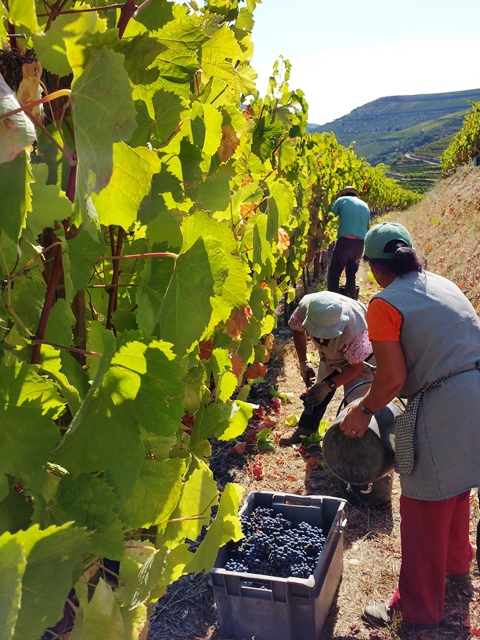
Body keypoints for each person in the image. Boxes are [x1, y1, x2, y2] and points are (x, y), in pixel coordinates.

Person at [338, 221, 480, 630]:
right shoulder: (444, 284)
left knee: (420, 505)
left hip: (443, 401)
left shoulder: (384, 303)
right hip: (474, 391)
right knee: (454, 488)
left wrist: (363, 410)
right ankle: (456, 565)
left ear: (375, 267)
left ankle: (414, 610)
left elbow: (393, 378)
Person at [279, 291, 374, 446]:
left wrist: (328, 385)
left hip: (362, 359)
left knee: (355, 401)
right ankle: (306, 429)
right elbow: (298, 331)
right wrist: (304, 364)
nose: (321, 337)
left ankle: (354, 441)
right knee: (317, 394)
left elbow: (356, 367)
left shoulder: (357, 331)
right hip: (332, 354)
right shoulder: (305, 308)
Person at [327, 186, 370, 299]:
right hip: (359, 244)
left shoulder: (341, 200)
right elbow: (367, 227)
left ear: (343, 194)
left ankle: (332, 302)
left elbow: (329, 216)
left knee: (334, 275)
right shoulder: (365, 205)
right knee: (351, 274)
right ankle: (351, 300)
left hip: (345, 242)